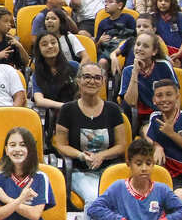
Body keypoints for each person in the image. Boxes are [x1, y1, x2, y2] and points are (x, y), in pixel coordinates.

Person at [53, 63, 127, 206]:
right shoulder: (67, 110)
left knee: (120, 199)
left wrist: (101, 155)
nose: (92, 81)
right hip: (80, 171)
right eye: (87, 77)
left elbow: (121, 145)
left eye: (97, 78)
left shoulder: (113, 110)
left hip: (110, 169)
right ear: (78, 80)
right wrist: (81, 155)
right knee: (95, 199)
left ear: (103, 82)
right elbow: (61, 145)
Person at [145, 79, 182, 205]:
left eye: (169, 94)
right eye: (159, 95)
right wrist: (157, 146)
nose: (164, 99)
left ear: (177, 97)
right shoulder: (155, 118)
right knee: (180, 197)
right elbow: (148, 136)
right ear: (154, 100)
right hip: (176, 175)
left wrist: (171, 134)